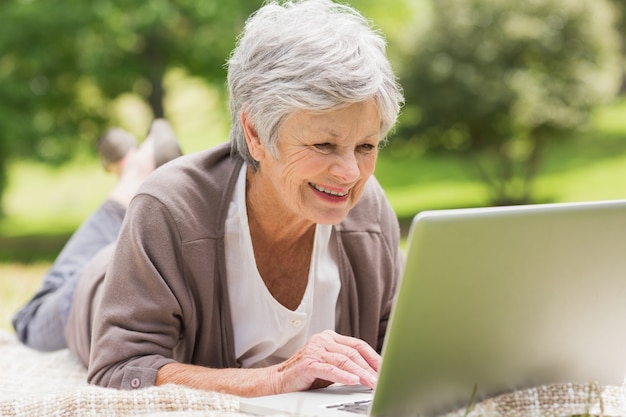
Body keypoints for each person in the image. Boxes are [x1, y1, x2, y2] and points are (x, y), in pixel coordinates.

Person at [14, 0, 404, 398]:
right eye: (324, 144)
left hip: (167, 218)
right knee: (34, 320)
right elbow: (120, 366)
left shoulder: (369, 215)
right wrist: (275, 378)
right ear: (254, 133)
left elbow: (405, 346)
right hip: (99, 284)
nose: (351, 174)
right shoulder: (165, 209)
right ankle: (129, 184)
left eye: (366, 146)